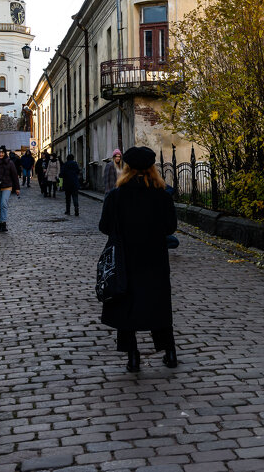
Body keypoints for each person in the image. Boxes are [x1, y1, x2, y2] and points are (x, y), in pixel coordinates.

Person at [98, 146, 178, 372]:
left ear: (127, 168)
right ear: (152, 168)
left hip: (126, 257)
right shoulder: (162, 195)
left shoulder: (116, 195)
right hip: (155, 259)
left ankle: (133, 357)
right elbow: (170, 227)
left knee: (126, 307)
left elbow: (104, 227)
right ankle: (170, 353)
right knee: (159, 305)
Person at [0, 145, 20, 232]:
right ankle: (0, 223)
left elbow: (14, 176)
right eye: (0, 152)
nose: (1, 154)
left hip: (7, 186)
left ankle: (4, 223)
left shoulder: (10, 163)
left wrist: (17, 188)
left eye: (2, 152)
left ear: (5, 153)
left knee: (3, 204)